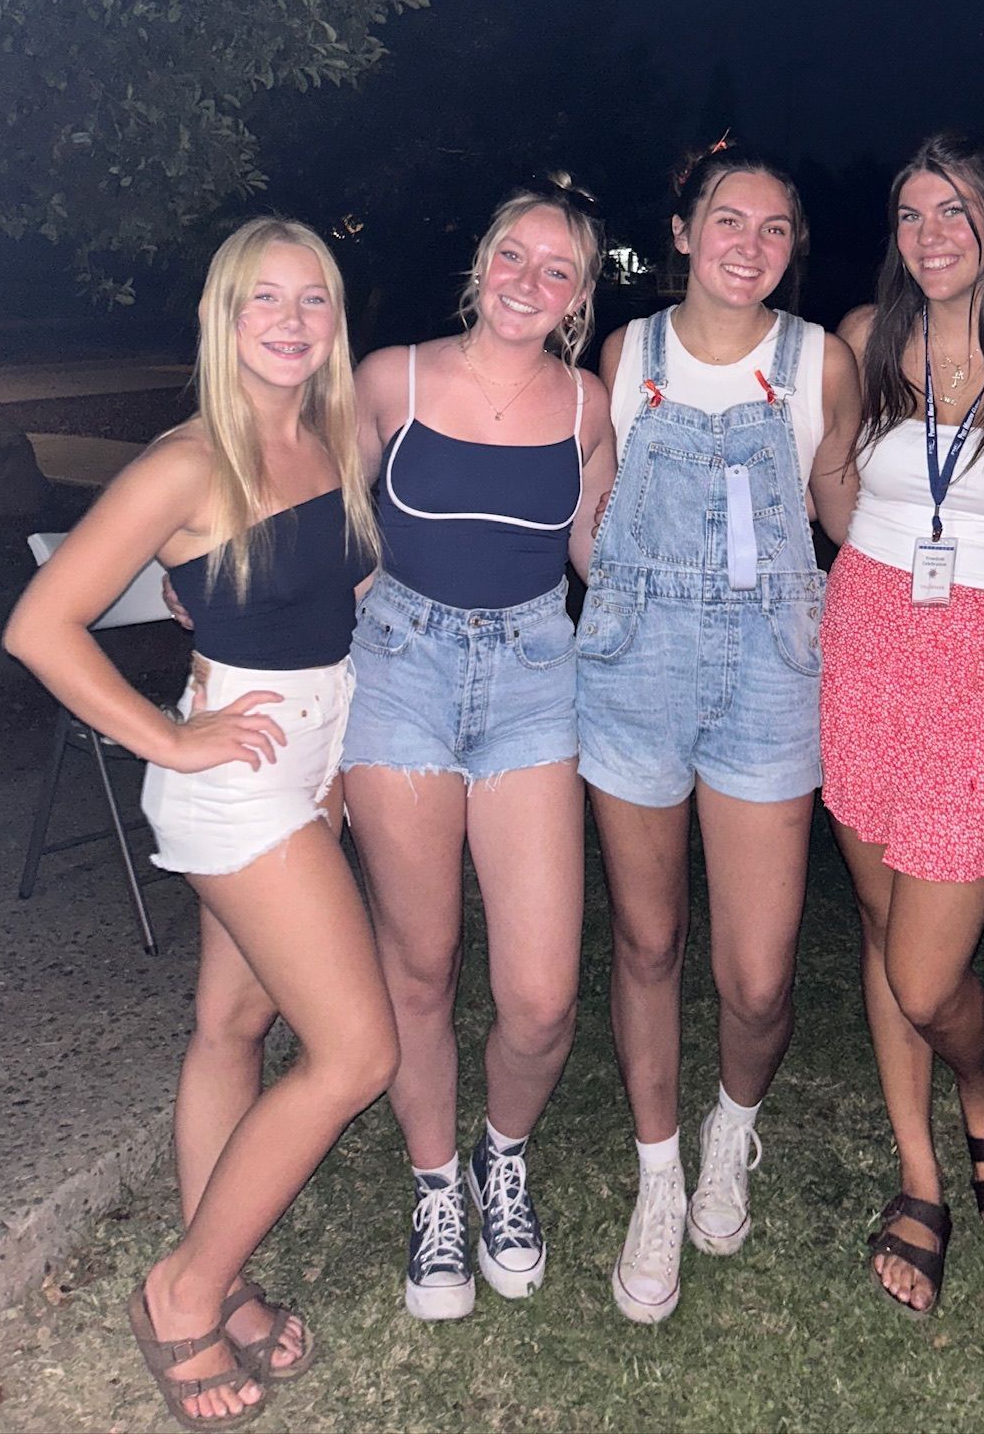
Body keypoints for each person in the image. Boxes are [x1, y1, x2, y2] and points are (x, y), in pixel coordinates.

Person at [5, 217, 396, 1427]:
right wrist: (171, 734)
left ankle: (216, 1280)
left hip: (307, 759)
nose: (290, 320)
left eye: (313, 299)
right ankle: (180, 1291)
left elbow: (346, 590)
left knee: (231, 1023)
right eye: (262, 299)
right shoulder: (185, 464)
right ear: (224, 318)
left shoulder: (337, 431)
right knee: (356, 1053)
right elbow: (41, 623)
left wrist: (328, 745)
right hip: (233, 778)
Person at [576, 144, 860, 1324]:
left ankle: (732, 1124)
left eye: (776, 227)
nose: (749, 244)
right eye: (727, 220)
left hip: (767, 677)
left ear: (795, 247)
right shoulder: (625, 353)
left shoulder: (818, 360)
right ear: (683, 229)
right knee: (649, 943)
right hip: (636, 666)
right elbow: (585, 519)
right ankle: (658, 1176)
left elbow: (848, 509)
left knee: (757, 975)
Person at [339, 183, 615, 1321]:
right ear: (483, 257)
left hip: (535, 676)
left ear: (579, 294)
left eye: (558, 269)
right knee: (422, 960)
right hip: (399, 663)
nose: (530, 280)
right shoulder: (387, 377)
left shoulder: (589, 404)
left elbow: (598, 546)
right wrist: (219, 571)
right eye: (517, 254)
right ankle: (436, 1184)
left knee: (542, 994)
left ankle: (505, 1152)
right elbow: (315, 512)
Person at [818, 134, 984, 1316]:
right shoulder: (871, 334)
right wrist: (862, 547)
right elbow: (832, 479)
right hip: (868, 642)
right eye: (911, 212)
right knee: (877, 913)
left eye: (955, 210)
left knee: (925, 969)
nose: (931, 233)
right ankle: (921, 1170)